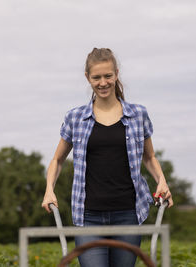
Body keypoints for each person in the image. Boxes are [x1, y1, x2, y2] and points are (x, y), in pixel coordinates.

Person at [41, 48, 173, 267]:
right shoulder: (76, 117)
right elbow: (57, 160)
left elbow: (149, 157)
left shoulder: (138, 114)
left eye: (108, 76)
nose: (103, 82)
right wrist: (48, 190)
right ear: (88, 78)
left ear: (116, 74)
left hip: (128, 214)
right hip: (89, 217)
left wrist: (162, 180)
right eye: (96, 77)